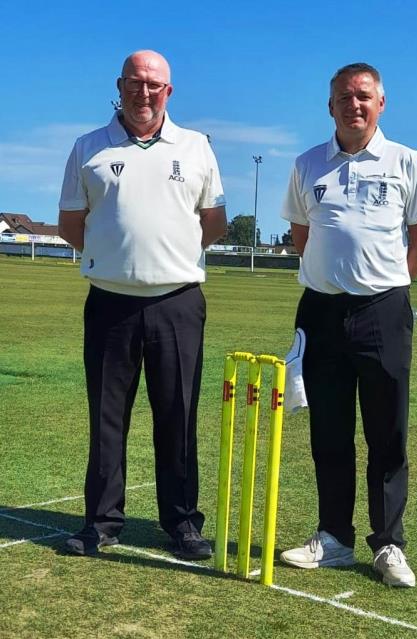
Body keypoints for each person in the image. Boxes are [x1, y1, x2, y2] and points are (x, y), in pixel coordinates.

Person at [58, 50, 227, 560]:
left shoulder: (196, 147)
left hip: (178, 303)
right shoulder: (88, 148)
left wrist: (168, 254)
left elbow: (213, 223)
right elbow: (71, 226)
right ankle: (102, 522)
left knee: (177, 415)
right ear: (121, 85)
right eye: (136, 82)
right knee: (108, 418)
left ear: (168, 92)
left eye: (154, 85)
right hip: (110, 303)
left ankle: (181, 524)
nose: (144, 93)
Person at [280, 63, 417, 587]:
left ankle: (389, 544)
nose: (354, 104)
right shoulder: (307, 165)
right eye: (345, 97)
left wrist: (387, 284)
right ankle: (333, 539)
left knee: (387, 432)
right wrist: (334, 279)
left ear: (381, 103)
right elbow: (301, 235)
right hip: (321, 311)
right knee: (328, 432)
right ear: (330, 106)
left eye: (364, 96)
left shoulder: (406, 161)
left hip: (383, 313)